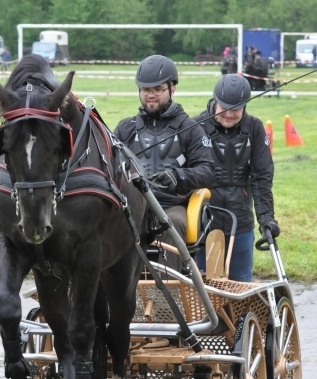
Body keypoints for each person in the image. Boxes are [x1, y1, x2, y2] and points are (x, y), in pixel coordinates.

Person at [114, 54, 214, 273]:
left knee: (171, 223)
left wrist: (177, 176)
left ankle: (169, 295)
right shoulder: (125, 129)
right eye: (145, 89)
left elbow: (207, 171)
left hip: (172, 206)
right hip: (133, 206)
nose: (151, 95)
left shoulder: (191, 129)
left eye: (158, 89)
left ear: (172, 88)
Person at [195, 74, 279, 282]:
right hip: (203, 222)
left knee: (240, 281)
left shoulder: (255, 129)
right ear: (215, 101)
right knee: (203, 284)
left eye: (237, 109)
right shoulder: (194, 127)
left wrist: (266, 217)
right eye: (225, 108)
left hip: (240, 219)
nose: (230, 114)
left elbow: (262, 177)